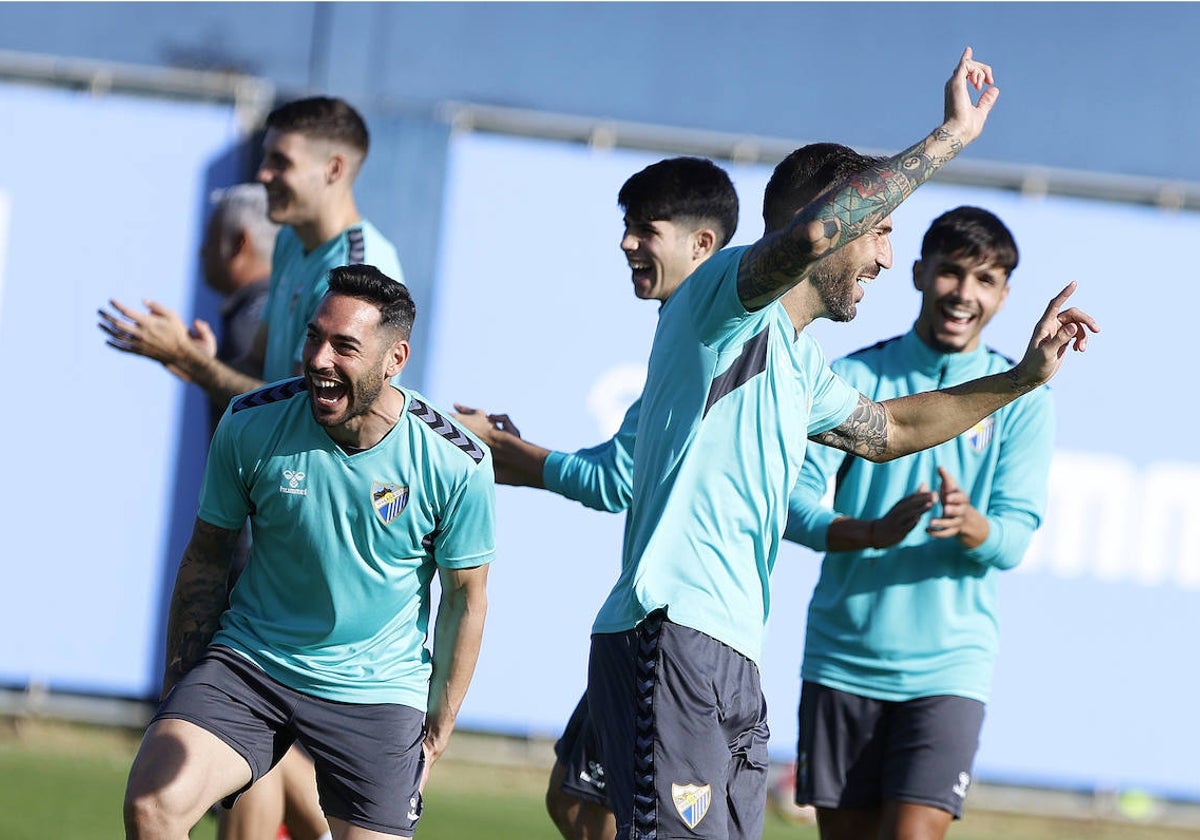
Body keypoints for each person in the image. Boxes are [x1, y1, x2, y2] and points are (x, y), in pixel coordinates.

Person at [579, 47, 1096, 840]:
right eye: (882, 232)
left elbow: (892, 432)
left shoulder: (800, 364)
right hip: (668, 629)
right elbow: (821, 227)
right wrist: (950, 139)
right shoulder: (725, 302)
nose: (887, 256)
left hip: (731, 651)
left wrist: (1024, 377)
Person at [122, 265, 495, 840]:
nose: (319, 358)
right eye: (313, 337)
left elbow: (465, 599)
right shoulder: (251, 423)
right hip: (251, 664)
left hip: (378, 691)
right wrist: (180, 680)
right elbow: (206, 557)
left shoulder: (454, 461)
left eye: (344, 346)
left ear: (395, 359)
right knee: (154, 804)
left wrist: (439, 728)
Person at [454, 156, 740, 840]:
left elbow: (612, 481)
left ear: (703, 245)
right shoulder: (686, 330)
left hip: (670, 623)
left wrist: (500, 450)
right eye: (625, 227)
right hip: (656, 621)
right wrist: (504, 457)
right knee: (575, 801)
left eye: (646, 228)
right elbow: (617, 474)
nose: (626, 243)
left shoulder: (703, 334)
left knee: (603, 811)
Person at [786, 206, 1043, 840]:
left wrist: (972, 525)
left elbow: (1015, 538)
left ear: (1004, 295)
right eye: (952, 273)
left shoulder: (1021, 396)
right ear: (920, 273)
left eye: (986, 280)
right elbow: (792, 505)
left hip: (949, 670)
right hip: (843, 659)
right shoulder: (851, 378)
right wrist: (869, 532)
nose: (965, 293)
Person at [99, 95, 403, 410]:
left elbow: (305, 405)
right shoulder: (289, 239)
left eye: (280, 161)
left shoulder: (360, 268)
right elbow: (260, 367)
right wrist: (204, 361)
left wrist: (187, 358)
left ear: (333, 169)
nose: (263, 174)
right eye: (265, 158)